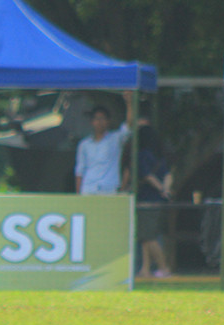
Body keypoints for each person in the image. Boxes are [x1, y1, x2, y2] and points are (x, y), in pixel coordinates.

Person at [123, 121, 173, 278]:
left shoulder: (140, 155)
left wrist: (160, 188)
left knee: (149, 237)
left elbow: (147, 176)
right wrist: (165, 190)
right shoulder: (159, 156)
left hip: (146, 199)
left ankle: (164, 268)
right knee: (145, 236)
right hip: (158, 200)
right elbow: (168, 175)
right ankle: (145, 269)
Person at [74, 103, 129, 194]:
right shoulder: (84, 144)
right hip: (88, 189)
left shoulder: (115, 139)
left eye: (103, 118)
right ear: (92, 122)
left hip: (109, 189)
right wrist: (78, 194)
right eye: (96, 119)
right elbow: (80, 171)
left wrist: (129, 103)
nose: (99, 122)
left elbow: (128, 127)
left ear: (108, 121)